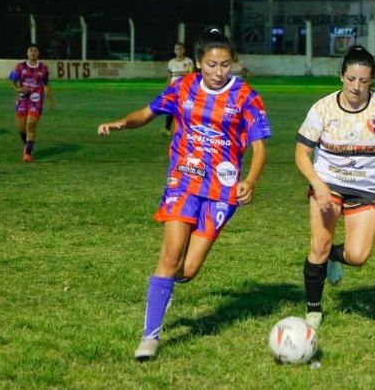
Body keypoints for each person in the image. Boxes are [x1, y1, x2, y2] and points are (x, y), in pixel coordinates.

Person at [97, 28, 271, 361]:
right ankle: (150, 336)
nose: (219, 72)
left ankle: (164, 289)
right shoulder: (183, 87)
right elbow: (147, 114)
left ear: (232, 63)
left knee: (187, 270)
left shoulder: (246, 96)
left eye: (224, 65)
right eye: (211, 65)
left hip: (222, 191)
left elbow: (259, 146)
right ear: (198, 64)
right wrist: (121, 123)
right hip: (183, 182)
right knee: (170, 255)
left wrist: (250, 179)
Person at [295, 46, 375, 329]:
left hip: (366, 187)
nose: (356, 87)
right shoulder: (322, 108)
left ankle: (333, 258)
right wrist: (317, 185)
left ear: (371, 80)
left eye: (364, 81)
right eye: (351, 79)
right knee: (319, 243)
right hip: (328, 182)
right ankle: (314, 309)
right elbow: (300, 153)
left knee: (358, 256)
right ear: (341, 76)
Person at [9, 43, 55, 162]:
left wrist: (51, 100)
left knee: (31, 124)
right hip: (22, 100)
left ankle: (28, 153)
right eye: (31, 50)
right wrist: (18, 89)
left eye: (35, 50)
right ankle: (28, 144)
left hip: (36, 100)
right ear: (27, 53)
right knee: (21, 129)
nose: (33, 52)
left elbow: (46, 84)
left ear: (38, 53)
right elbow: (13, 82)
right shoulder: (19, 67)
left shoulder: (43, 68)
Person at [163, 42, 194, 135]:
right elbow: (169, 76)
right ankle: (167, 129)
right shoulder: (171, 62)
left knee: (186, 108)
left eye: (180, 49)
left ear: (184, 50)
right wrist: (167, 88)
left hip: (185, 89)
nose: (178, 51)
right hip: (174, 89)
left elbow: (191, 75)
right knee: (171, 108)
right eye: (176, 49)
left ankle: (187, 129)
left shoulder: (188, 61)